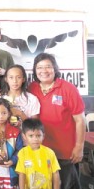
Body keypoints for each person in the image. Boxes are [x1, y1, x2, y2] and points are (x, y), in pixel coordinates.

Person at [28, 53, 86, 189]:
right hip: (40, 149)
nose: (44, 71)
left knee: (66, 185)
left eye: (48, 67)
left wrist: (79, 147)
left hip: (64, 152)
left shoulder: (68, 89)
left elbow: (80, 120)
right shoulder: (32, 88)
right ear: (35, 71)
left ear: (55, 68)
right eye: (39, 67)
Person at [16, 118, 61, 189]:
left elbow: (55, 173)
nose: (35, 139)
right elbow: (22, 174)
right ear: (24, 136)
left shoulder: (50, 152)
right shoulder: (22, 153)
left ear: (43, 136)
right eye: (31, 136)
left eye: (38, 136)